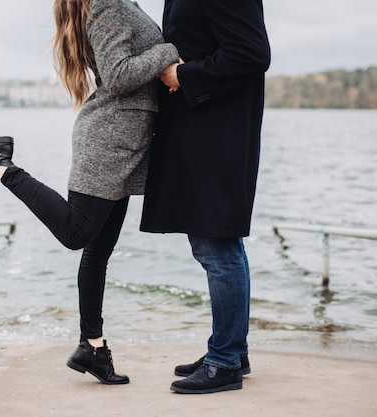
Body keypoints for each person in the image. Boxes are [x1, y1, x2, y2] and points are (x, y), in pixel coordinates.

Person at [0, 0, 179, 385]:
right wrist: (167, 53)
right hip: (109, 140)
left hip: (125, 142)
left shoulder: (116, 4)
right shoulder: (109, 4)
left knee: (98, 252)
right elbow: (118, 75)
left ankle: (94, 348)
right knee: (76, 234)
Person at [140, 0, 271, 394]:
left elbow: (251, 54)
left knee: (216, 242)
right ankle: (231, 349)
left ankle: (225, 362)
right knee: (216, 241)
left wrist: (184, 73)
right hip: (204, 128)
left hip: (218, 132)